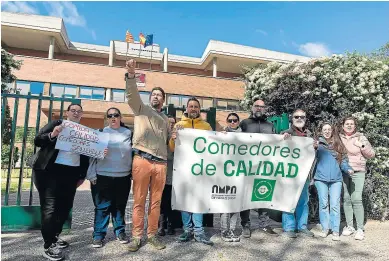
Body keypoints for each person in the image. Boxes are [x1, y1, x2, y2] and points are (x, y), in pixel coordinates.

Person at [32, 103, 89, 261]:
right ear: (67, 113)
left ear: (81, 114)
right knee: (50, 207)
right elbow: (37, 140)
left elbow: (86, 155)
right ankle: (48, 245)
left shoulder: (84, 132)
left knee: (65, 207)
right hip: (50, 171)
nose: (76, 113)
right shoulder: (56, 124)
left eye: (79, 111)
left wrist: (82, 175)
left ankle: (54, 236)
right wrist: (53, 134)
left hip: (71, 173)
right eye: (73, 110)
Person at [125, 59, 170, 252]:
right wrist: (131, 76)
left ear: (163, 100)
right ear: (149, 97)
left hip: (160, 163)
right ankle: (136, 236)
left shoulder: (167, 119)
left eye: (160, 95)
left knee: (156, 202)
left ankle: (152, 235)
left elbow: (168, 142)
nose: (156, 97)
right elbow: (131, 94)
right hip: (142, 159)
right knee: (139, 201)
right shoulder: (140, 108)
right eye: (154, 94)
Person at [169, 97, 214, 246]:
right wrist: (173, 138)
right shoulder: (179, 125)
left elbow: (214, 146)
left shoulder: (206, 126)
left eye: (196, 106)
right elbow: (172, 148)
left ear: (199, 109)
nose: (193, 109)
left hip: (201, 171)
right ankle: (187, 230)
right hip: (183, 170)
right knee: (184, 200)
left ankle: (199, 232)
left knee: (198, 200)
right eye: (191, 106)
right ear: (186, 109)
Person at [86, 107, 132, 248]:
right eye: (110, 115)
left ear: (120, 117)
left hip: (123, 176)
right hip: (103, 176)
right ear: (107, 118)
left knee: (119, 207)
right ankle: (99, 235)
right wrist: (92, 174)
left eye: (116, 115)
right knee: (102, 207)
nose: (113, 117)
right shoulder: (100, 133)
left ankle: (120, 232)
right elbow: (91, 156)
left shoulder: (129, 133)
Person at [239, 98, 278, 238]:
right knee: (246, 196)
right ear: (252, 108)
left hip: (265, 167)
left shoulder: (270, 126)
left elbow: (278, 144)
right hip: (247, 167)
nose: (259, 108)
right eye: (256, 106)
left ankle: (264, 224)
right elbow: (234, 141)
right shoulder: (244, 123)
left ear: (265, 109)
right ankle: (246, 224)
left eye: (262, 106)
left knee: (264, 193)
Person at [313, 122, 354, 241]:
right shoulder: (316, 144)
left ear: (332, 130)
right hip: (320, 178)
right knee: (323, 204)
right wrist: (313, 149)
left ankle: (335, 230)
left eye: (329, 129)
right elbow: (309, 158)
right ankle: (325, 229)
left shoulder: (338, 143)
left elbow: (344, 161)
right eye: (324, 129)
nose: (327, 131)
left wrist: (348, 169)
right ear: (321, 131)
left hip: (336, 179)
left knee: (335, 205)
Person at [281, 109, 315, 238]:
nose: (299, 118)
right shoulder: (285, 133)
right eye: (296, 116)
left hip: (304, 174)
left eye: (302, 116)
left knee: (303, 201)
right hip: (289, 174)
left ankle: (302, 227)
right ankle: (289, 228)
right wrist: (283, 140)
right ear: (292, 119)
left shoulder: (309, 135)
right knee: (289, 201)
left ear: (305, 119)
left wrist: (315, 147)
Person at [340, 116, 375, 240]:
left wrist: (362, 146)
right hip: (344, 171)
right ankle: (350, 226)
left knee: (356, 198)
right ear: (343, 125)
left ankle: (360, 228)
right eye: (347, 123)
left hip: (358, 171)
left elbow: (371, 154)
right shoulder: (339, 137)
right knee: (346, 198)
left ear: (355, 126)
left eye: (352, 124)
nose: (349, 126)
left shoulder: (361, 137)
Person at [220, 112, 241, 242]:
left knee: (236, 205)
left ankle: (232, 229)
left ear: (239, 122)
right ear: (227, 122)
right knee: (224, 204)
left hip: (239, 175)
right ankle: (224, 231)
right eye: (230, 120)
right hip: (224, 175)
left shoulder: (246, 136)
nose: (232, 123)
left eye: (235, 120)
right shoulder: (222, 134)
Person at [158, 115, 179, 236]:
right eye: (168, 122)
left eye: (173, 123)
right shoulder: (160, 137)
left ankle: (171, 226)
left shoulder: (178, 139)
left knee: (171, 203)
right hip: (161, 177)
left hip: (174, 177)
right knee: (161, 203)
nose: (171, 124)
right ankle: (161, 226)